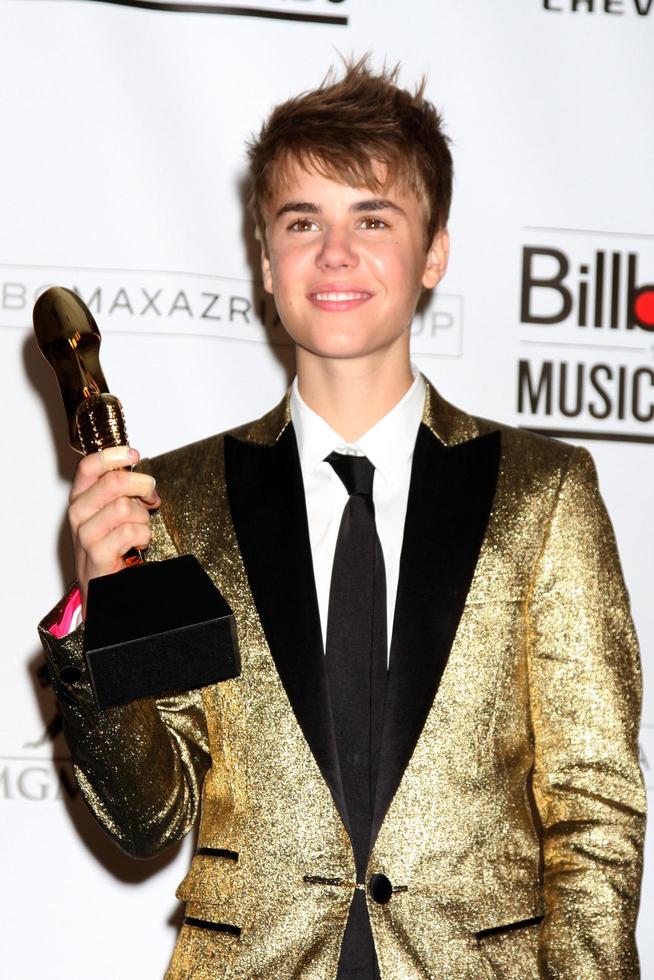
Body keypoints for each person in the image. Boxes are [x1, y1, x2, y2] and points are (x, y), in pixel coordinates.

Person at [39, 60, 646, 979]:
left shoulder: (542, 491)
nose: (334, 253)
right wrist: (98, 611)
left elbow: (594, 807)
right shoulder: (178, 499)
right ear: (265, 255)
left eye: (372, 218)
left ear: (434, 251)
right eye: (302, 222)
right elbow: (145, 816)